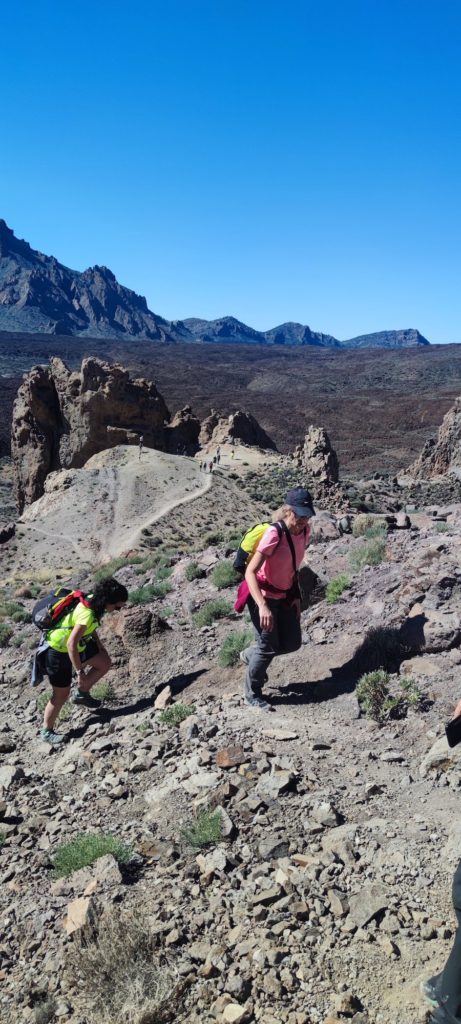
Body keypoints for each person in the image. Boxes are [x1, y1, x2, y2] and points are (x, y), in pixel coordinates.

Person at [240, 487, 314, 711]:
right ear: (287, 511)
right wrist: (262, 606)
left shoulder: (305, 532)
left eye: (307, 515)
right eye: (299, 515)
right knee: (267, 646)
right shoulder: (274, 533)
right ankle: (252, 694)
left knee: (292, 643)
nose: (303, 520)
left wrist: (295, 596)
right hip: (262, 596)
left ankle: (249, 655)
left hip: (284, 595)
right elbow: (250, 572)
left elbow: (293, 566)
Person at [40, 577, 128, 745]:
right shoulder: (87, 613)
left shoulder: (94, 602)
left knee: (104, 662)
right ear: (108, 601)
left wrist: (100, 645)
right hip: (58, 651)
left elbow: (90, 628)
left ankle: (81, 694)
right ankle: (46, 731)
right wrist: (80, 672)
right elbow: (71, 644)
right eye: (117, 606)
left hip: (77, 646)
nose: (117, 609)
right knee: (61, 695)